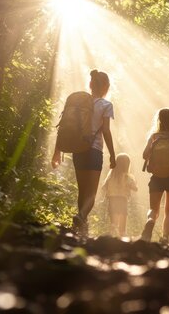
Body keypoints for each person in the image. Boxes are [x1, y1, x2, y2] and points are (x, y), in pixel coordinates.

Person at [51, 69, 116, 234]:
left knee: (82, 191)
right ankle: (81, 217)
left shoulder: (79, 104)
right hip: (94, 151)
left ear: (90, 84)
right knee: (92, 194)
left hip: (78, 149)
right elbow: (106, 131)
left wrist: (57, 151)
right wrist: (113, 155)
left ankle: (81, 228)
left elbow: (65, 127)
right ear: (107, 87)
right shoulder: (106, 105)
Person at [140, 108, 169, 244]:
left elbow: (144, 156)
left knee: (153, 209)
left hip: (156, 177)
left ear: (159, 120)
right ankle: (165, 237)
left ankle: (150, 220)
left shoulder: (154, 137)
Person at [101, 153, 138, 237]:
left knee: (114, 217)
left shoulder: (111, 175)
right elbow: (135, 188)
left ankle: (113, 232)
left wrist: (106, 194)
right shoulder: (127, 177)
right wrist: (134, 185)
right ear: (127, 165)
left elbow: (104, 187)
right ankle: (122, 233)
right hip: (122, 199)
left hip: (112, 199)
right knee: (123, 215)